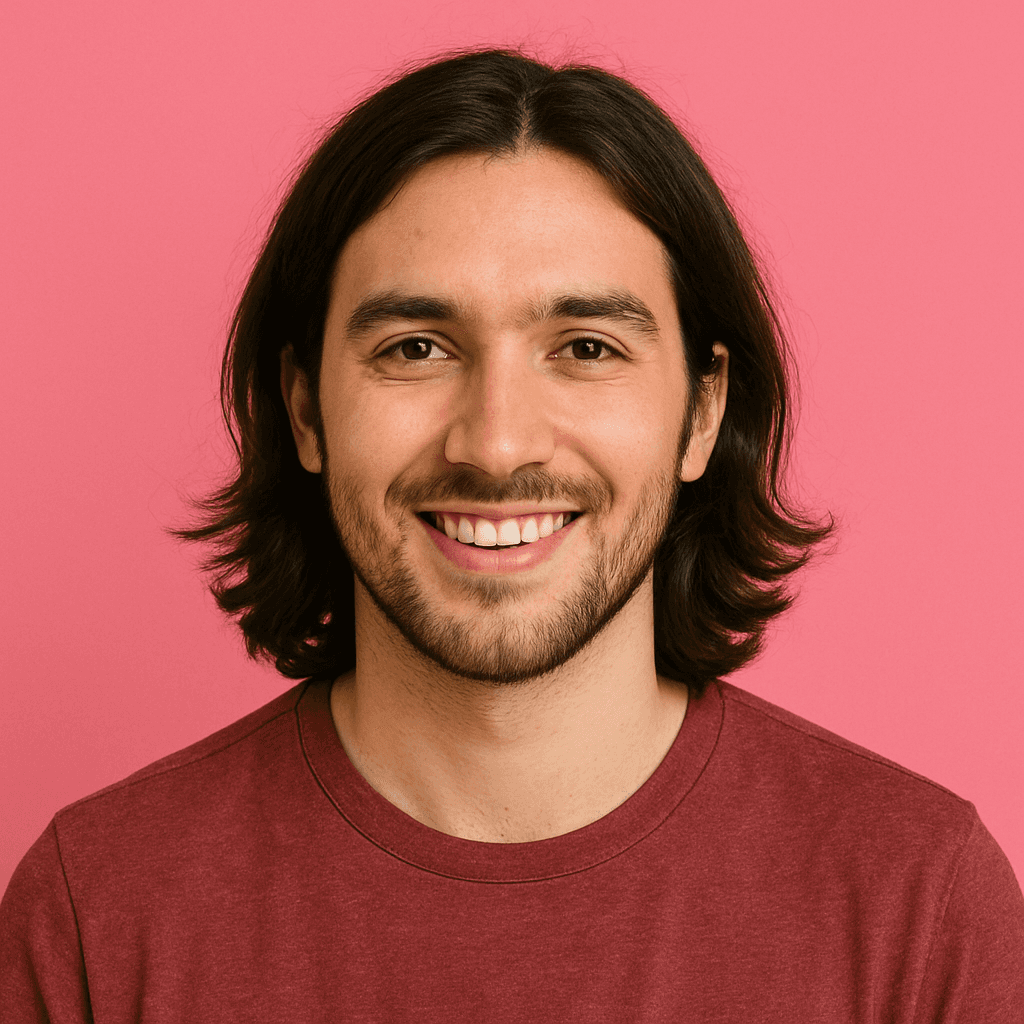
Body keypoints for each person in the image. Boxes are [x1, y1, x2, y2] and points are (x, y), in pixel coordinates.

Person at [2, 47, 1021, 1021]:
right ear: (305, 410)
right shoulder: (98, 912)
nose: (495, 443)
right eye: (415, 347)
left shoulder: (920, 908)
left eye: (583, 347)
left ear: (703, 413)